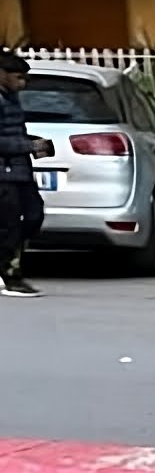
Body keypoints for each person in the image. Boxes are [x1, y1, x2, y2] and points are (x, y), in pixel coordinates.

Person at [0, 51, 52, 297]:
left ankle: (7, 263)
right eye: (18, 78)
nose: (23, 84)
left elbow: (13, 134)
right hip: (4, 173)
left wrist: (34, 143)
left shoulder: (11, 99)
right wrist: (28, 146)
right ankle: (10, 275)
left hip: (20, 170)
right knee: (9, 224)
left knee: (33, 215)